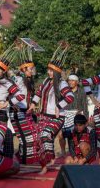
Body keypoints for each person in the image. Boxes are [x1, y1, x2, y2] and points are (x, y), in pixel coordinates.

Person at [29, 43, 74, 174]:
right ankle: (44, 165)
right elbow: (38, 94)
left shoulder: (62, 83)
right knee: (38, 139)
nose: (48, 72)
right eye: (48, 69)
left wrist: (59, 106)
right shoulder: (45, 81)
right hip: (43, 116)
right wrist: (32, 105)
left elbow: (70, 97)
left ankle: (50, 158)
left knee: (45, 135)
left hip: (57, 117)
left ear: (56, 72)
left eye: (51, 70)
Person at [9, 45, 39, 164]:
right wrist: (12, 102)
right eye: (30, 69)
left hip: (26, 111)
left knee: (32, 136)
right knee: (25, 138)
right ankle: (24, 160)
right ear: (24, 70)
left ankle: (23, 158)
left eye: (32, 69)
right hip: (17, 111)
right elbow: (8, 90)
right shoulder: (18, 79)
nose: (32, 71)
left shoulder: (29, 80)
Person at [58, 74, 88, 157]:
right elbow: (59, 103)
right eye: (69, 80)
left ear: (77, 82)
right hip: (64, 113)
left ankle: (75, 152)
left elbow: (85, 105)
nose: (70, 82)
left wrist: (86, 119)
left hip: (76, 115)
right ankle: (63, 152)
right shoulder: (64, 91)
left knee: (74, 135)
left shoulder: (81, 91)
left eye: (73, 80)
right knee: (61, 135)